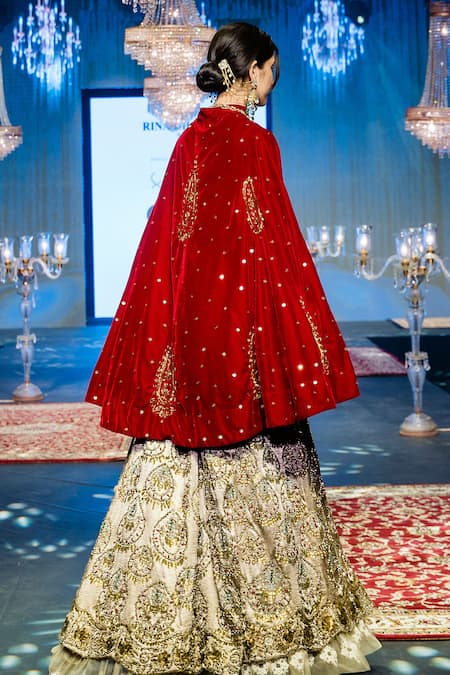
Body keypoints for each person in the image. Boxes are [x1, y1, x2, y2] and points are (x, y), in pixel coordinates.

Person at [49, 22, 381, 675]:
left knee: (165, 484)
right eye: (271, 71)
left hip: (186, 344)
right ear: (252, 72)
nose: (272, 83)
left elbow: (165, 251)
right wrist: (297, 342)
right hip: (242, 345)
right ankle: (271, 628)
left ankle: (152, 625)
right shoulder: (256, 143)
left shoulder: (187, 142)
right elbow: (274, 247)